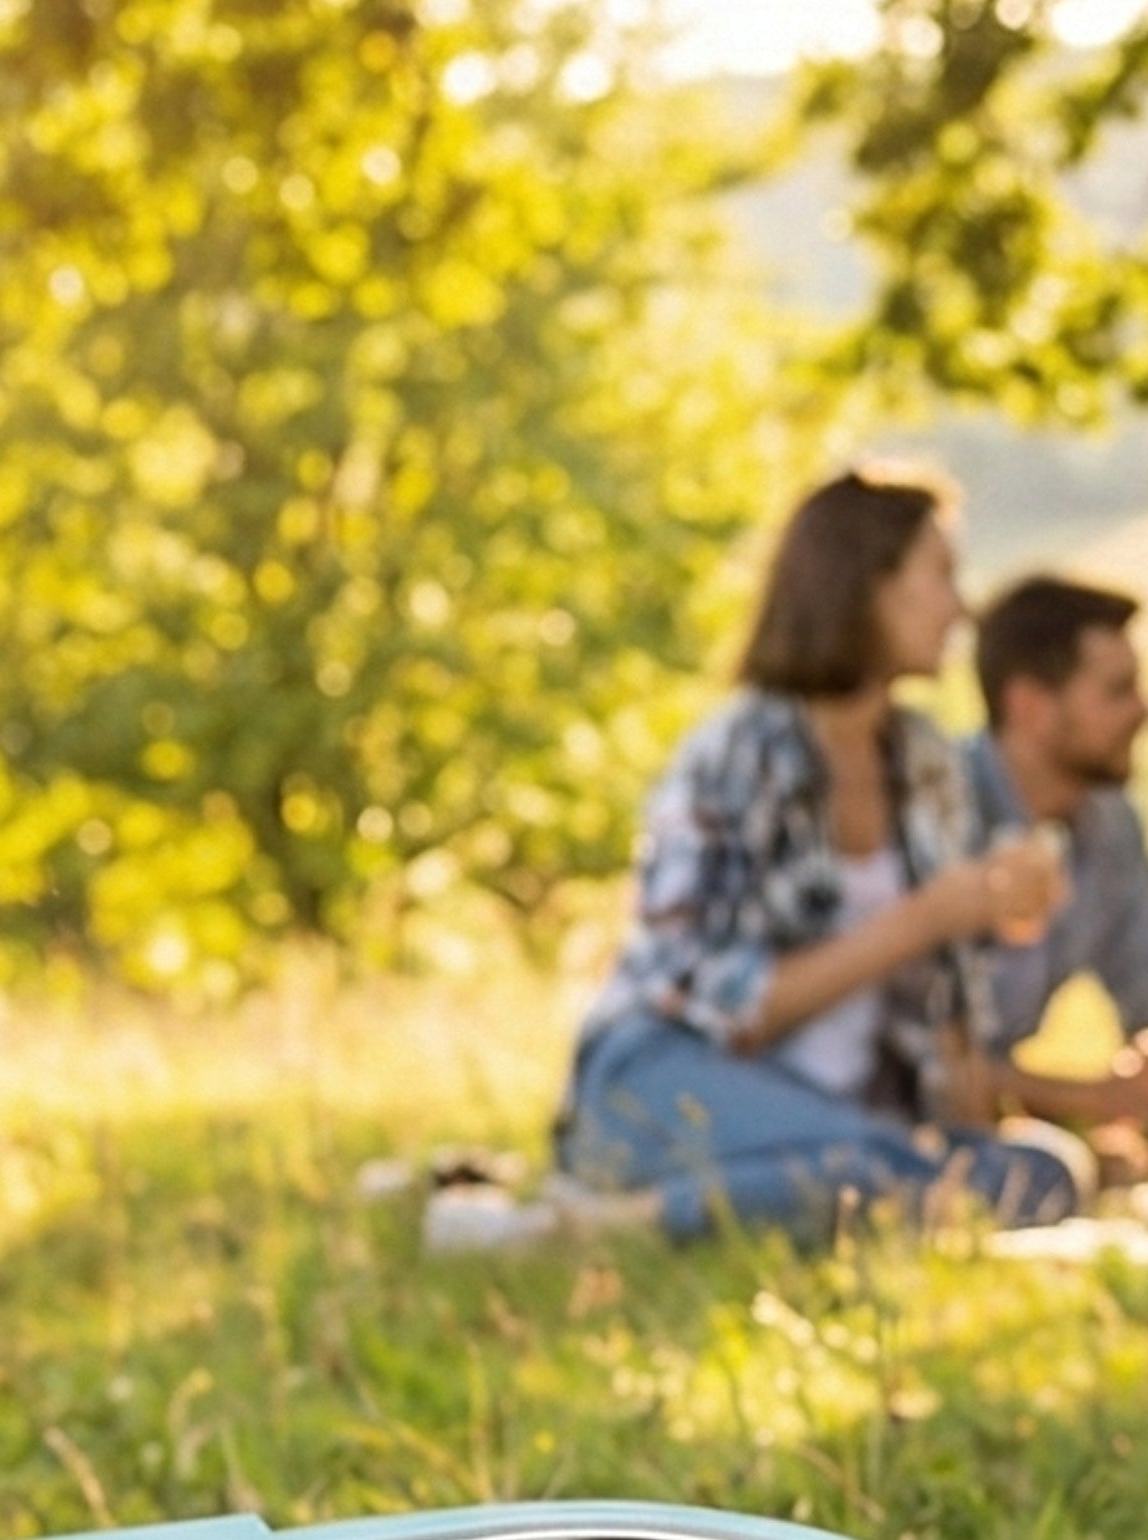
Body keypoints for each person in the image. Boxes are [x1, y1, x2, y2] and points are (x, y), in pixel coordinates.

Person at [429, 467, 1078, 1251]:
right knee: (871, 1167)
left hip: (845, 1115)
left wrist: (989, 933)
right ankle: (578, 1233)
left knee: (1046, 1171)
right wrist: (924, 918)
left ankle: (672, 1208)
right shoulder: (737, 754)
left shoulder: (925, 763)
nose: (962, 606)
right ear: (864, 587)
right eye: (940, 574)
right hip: (668, 1077)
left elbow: (945, 1050)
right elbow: (716, 1003)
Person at [962, 572, 1148, 1145]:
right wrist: (1096, 1103)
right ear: (1030, 707)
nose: (1146, 711)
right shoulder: (937, 814)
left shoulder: (1109, 825)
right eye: (1118, 691)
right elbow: (906, 1067)